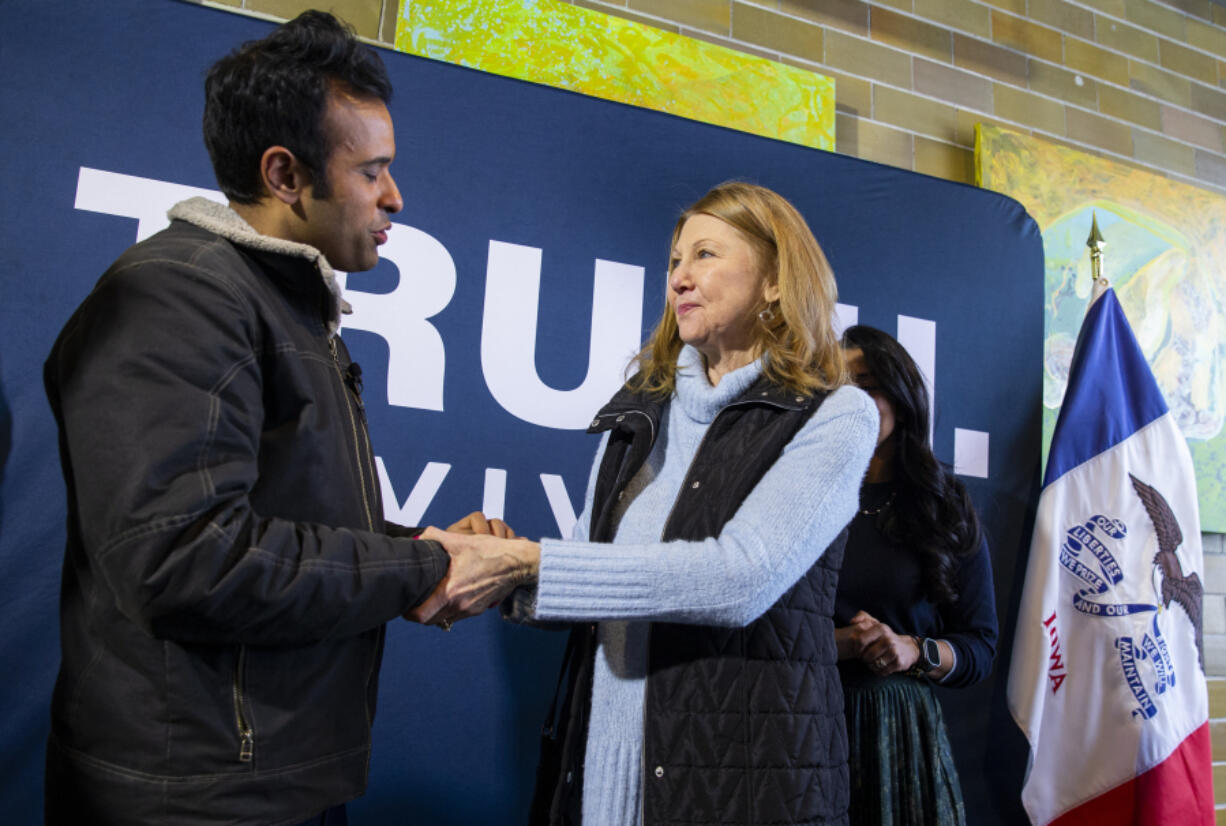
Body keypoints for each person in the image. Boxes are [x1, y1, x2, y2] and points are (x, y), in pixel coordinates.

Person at [42, 12, 509, 825]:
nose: (395, 196)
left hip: (269, 785)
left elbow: (277, 520)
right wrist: (419, 567)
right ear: (286, 174)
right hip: (196, 801)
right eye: (373, 171)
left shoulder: (279, 301)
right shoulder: (177, 297)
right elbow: (182, 559)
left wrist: (419, 550)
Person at [410, 182, 880, 825]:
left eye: (706, 255)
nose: (680, 278)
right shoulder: (642, 410)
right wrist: (494, 570)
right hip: (600, 778)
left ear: (775, 280)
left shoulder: (836, 414)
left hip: (743, 789)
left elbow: (739, 578)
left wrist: (529, 562)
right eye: (674, 262)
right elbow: (587, 572)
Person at [833, 325, 998, 826]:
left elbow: (980, 644)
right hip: (806, 718)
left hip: (899, 741)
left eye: (867, 384)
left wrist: (915, 650)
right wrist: (838, 642)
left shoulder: (942, 505)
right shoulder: (802, 497)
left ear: (901, 398)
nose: (852, 401)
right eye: (839, 388)